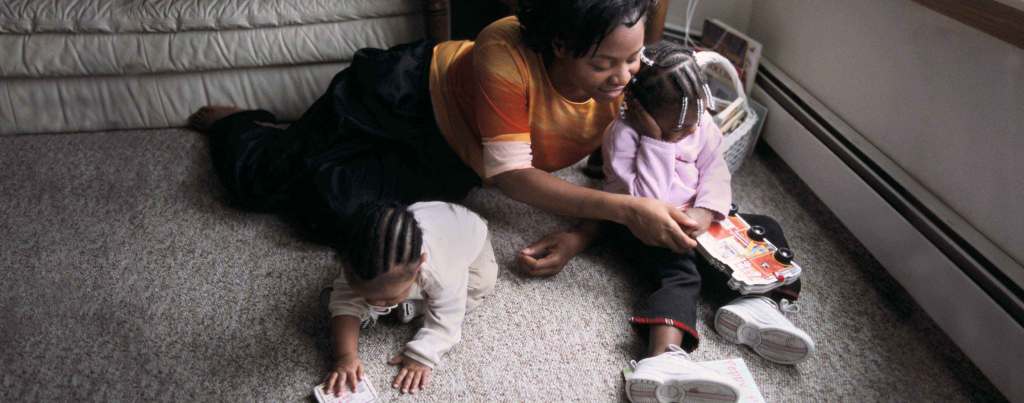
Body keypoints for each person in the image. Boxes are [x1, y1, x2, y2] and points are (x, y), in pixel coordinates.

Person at [187, 0, 698, 272]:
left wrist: (580, 234)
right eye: (604, 64)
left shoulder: (639, 83)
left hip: (454, 158)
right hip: (402, 101)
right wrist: (628, 212)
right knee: (265, 183)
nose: (623, 76)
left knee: (343, 215)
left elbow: (621, 175)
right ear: (560, 45)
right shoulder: (505, 48)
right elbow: (512, 175)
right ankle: (239, 124)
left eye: (632, 57)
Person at [601, 42, 815, 402]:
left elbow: (715, 171)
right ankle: (663, 358)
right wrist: (657, 142)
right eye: (674, 130)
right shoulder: (623, 135)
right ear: (641, 113)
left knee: (765, 229)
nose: (686, 133)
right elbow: (645, 201)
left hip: (700, 218)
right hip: (650, 227)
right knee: (681, 275)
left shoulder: (700, 125)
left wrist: (706, 211)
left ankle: (756, 305)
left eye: (692, 123)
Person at [321, 201, 497, 396]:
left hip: (470, 240)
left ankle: (419, 305)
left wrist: (422, 356)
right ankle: (404, 298)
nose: (374, 304)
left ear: (419, 265)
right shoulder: (360, 260)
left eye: (387, 300)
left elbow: (449, 317)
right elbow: (346, 296)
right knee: (354, 293)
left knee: (477, 287)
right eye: (367, 297)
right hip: (426, 229)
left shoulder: (440, 271)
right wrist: (346, 356)